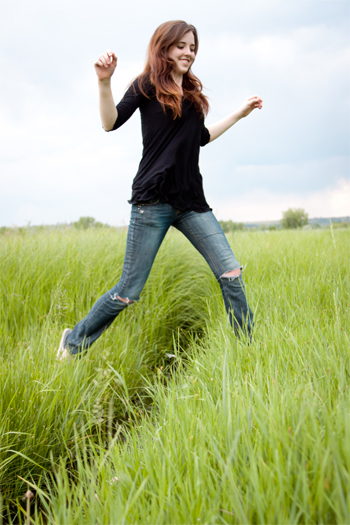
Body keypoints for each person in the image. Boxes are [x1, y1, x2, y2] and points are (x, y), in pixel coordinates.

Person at [57, 20, 263, 360]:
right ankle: (74, 341)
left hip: (192, 202)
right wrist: (104, 82)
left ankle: (248, 350)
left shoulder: (194, 94)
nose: (188, 52)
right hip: (152, 200)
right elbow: (110, 122)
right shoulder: (147, 84)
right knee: (128, 291)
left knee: (231, 272)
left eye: (193, 47)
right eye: (181, 45)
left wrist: (239, 114)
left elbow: (201, 139)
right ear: (164, 47)